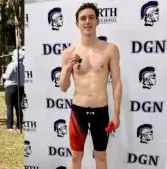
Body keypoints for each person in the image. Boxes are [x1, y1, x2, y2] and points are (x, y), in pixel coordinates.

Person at [59, 3, 122, 169]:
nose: (87, 21)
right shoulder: (69, 52)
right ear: (77, 23)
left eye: (91, 17)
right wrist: (67, 68)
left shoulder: (110, 49)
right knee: (75, 158)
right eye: (83, 18)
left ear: (97, 21)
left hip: (101, 112)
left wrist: (116, 114)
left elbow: (116, 82)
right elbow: (63, 87)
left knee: (101, 157)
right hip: (78, 112)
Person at [2, 47, 25, 131]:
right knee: (18, 107)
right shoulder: (24, 65)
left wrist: (3, 75)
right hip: (21, 87)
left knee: (9, 106)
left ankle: (9, 126)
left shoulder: (12, 64)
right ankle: (19, 126)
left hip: (10, 87)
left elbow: (7, 76)